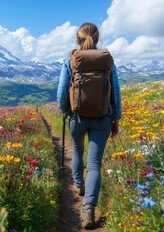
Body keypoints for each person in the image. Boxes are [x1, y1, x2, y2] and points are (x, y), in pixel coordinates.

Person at [56, 22, 122, 229]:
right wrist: (116, 118)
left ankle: (79, 186)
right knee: (94, 165)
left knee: (77, 152)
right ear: (97, 38)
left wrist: (67, 111)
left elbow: (61, 95)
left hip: (78, 118)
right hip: (102, 118)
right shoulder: (107, 61)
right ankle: (89, 209)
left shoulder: (71, 60)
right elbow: (117, 93)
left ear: (78, 39)